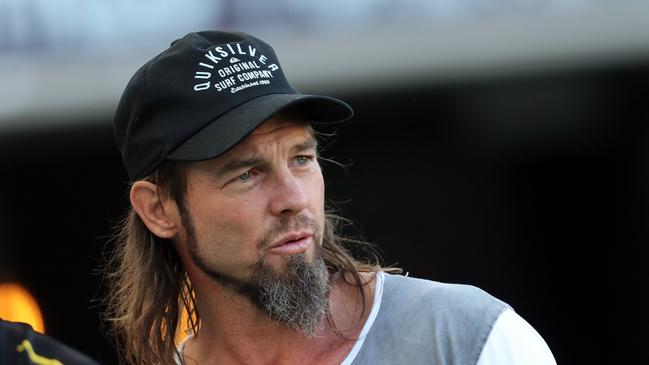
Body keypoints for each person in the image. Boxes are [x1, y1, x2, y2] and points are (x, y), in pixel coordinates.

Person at [105, 30, 557, 365]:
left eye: (301, 158)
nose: (293, 198)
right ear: (159, 210)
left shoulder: (465, 340)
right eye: (246, 174)